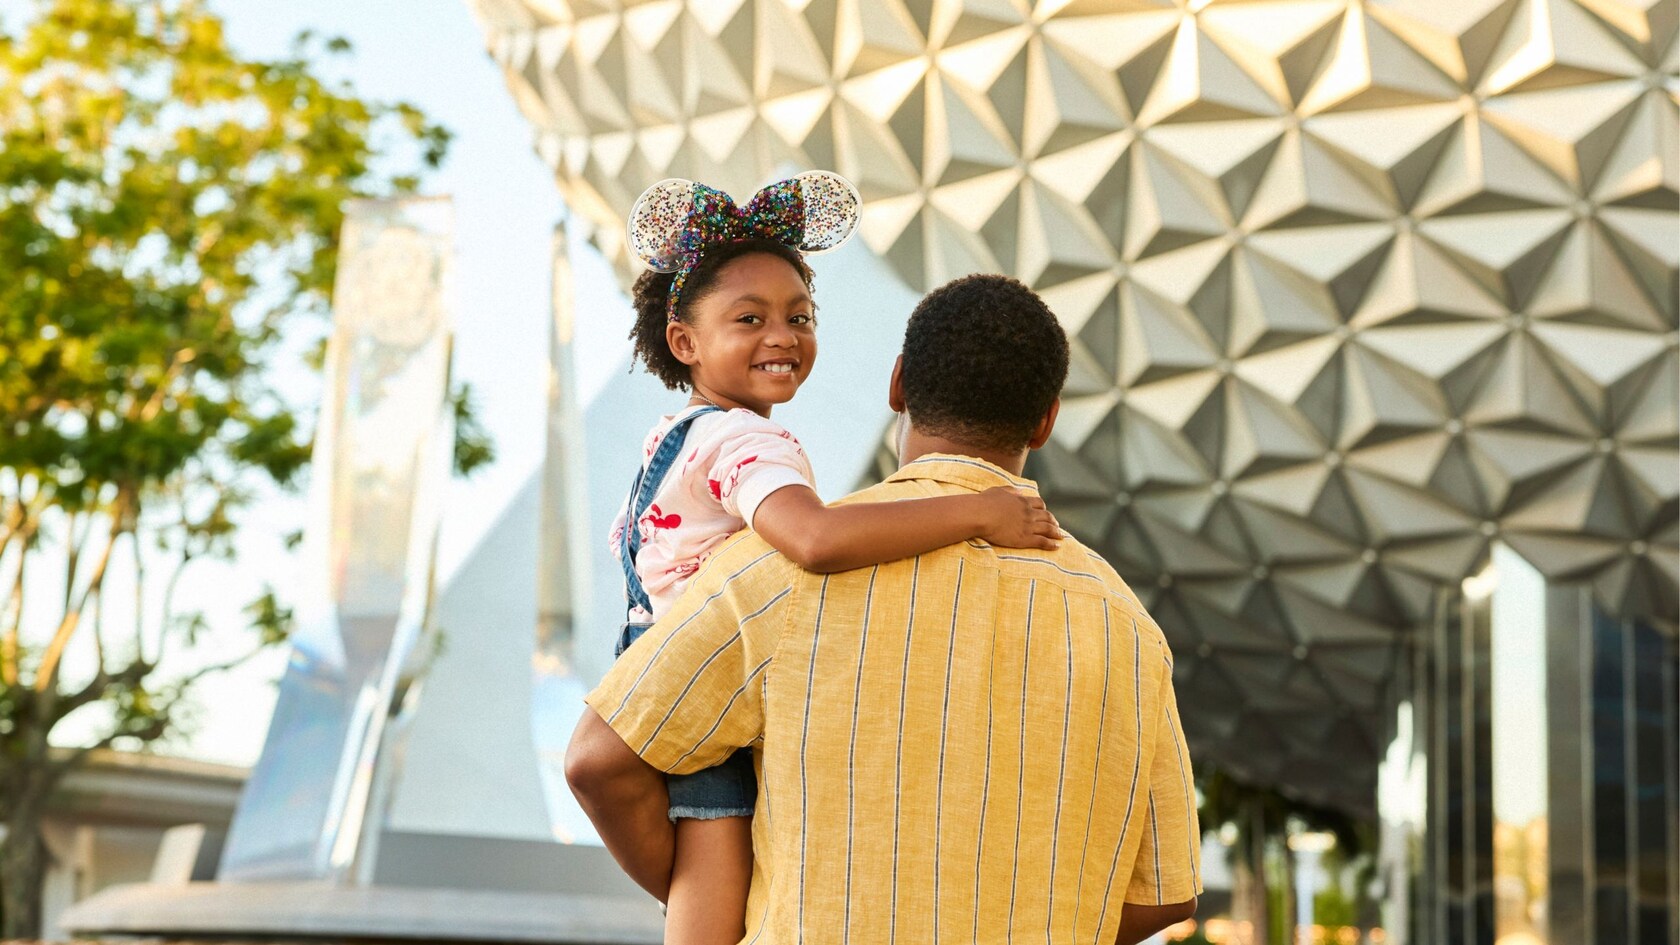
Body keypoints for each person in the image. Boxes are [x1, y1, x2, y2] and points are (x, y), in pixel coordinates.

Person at [568, 272, 1202, 945]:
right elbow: (1166, 894)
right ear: (1046, 420)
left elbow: (596, 760)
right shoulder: (1126, 625)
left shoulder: (774, 571)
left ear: (897, 384)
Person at [603, 173, 1065, 945]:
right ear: (684, 340)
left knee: (706, 891)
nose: (781, 334)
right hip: (707, 686)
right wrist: (980, 510)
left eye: (799, 315)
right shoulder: (746, 439)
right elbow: (815, 539)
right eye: (748, 318)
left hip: (672, 674)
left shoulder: (678, 434)